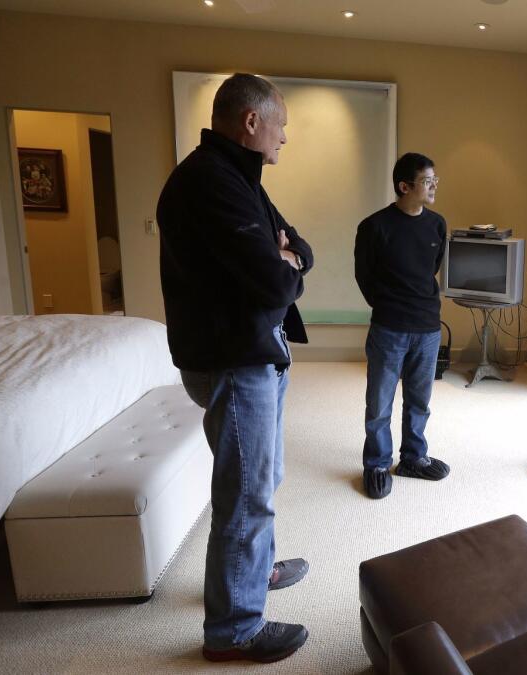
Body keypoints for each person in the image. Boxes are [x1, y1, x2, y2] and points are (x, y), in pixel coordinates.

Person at [157, 73, 313, 663]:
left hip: (255, 350)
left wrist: (285, 255)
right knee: (246, 497)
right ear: (252, 121)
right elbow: (279, 277)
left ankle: (255, 574)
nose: (284, 139)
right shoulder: (209, 182)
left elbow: (300, 250)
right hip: (232, 359)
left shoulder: (239, 176)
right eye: (282, 127)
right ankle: (233, 630)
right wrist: (283, 260)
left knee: (260, 484)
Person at [354, 152, 451, 500]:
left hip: (427, 326)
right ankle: (377, 463)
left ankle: (413, 457)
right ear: (404, 186)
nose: (434, 186)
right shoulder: (374, 227)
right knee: (380, 402)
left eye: (434, 180)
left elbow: (432, 268)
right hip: (389, 328)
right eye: (427, 181)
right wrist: (389, 306)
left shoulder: (437, 224)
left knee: (419, 400)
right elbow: (364, 277)